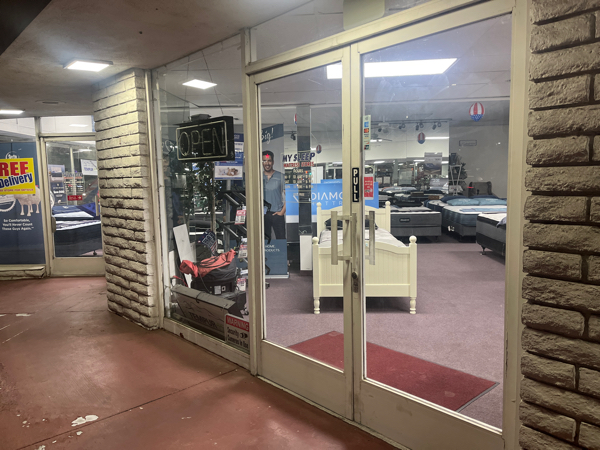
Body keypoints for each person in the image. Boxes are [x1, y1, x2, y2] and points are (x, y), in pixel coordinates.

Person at [262, 150, 286, 239]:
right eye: (264, 161)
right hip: (263, 215)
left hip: (277, 214)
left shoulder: (281, 176)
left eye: (269, 161)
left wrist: (282, 212)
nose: (267, 163)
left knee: (281, 240)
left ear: (273, 162)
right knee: (264, 242)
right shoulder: (258, 177)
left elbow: (289, 196)